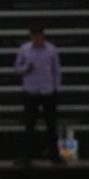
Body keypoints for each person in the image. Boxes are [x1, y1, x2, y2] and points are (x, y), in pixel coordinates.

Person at [14, 26, 62, 166]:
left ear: (42, 36)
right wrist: (26, 69)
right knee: (29, 125)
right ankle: (26, 156)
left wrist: (56, 89)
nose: (35, 40)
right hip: (30, 92)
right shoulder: (24, 49)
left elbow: (56, 71)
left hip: (48, 92)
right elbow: (16, 68)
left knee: (51, 125)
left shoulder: (51, 50)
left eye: (37, 37)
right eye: (32, 37)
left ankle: (54, 155)